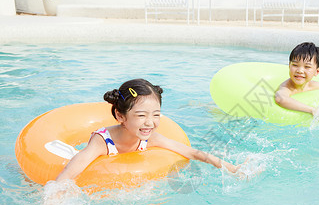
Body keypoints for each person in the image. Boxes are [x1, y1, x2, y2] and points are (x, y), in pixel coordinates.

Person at [56, 78, 240, 182]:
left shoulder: (150, 138)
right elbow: (70, 172)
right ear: (120, 116)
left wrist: (230, 168)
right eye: (142, 115)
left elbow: (191, 152)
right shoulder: (102, 141)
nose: (150, 123)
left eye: (156, 115)